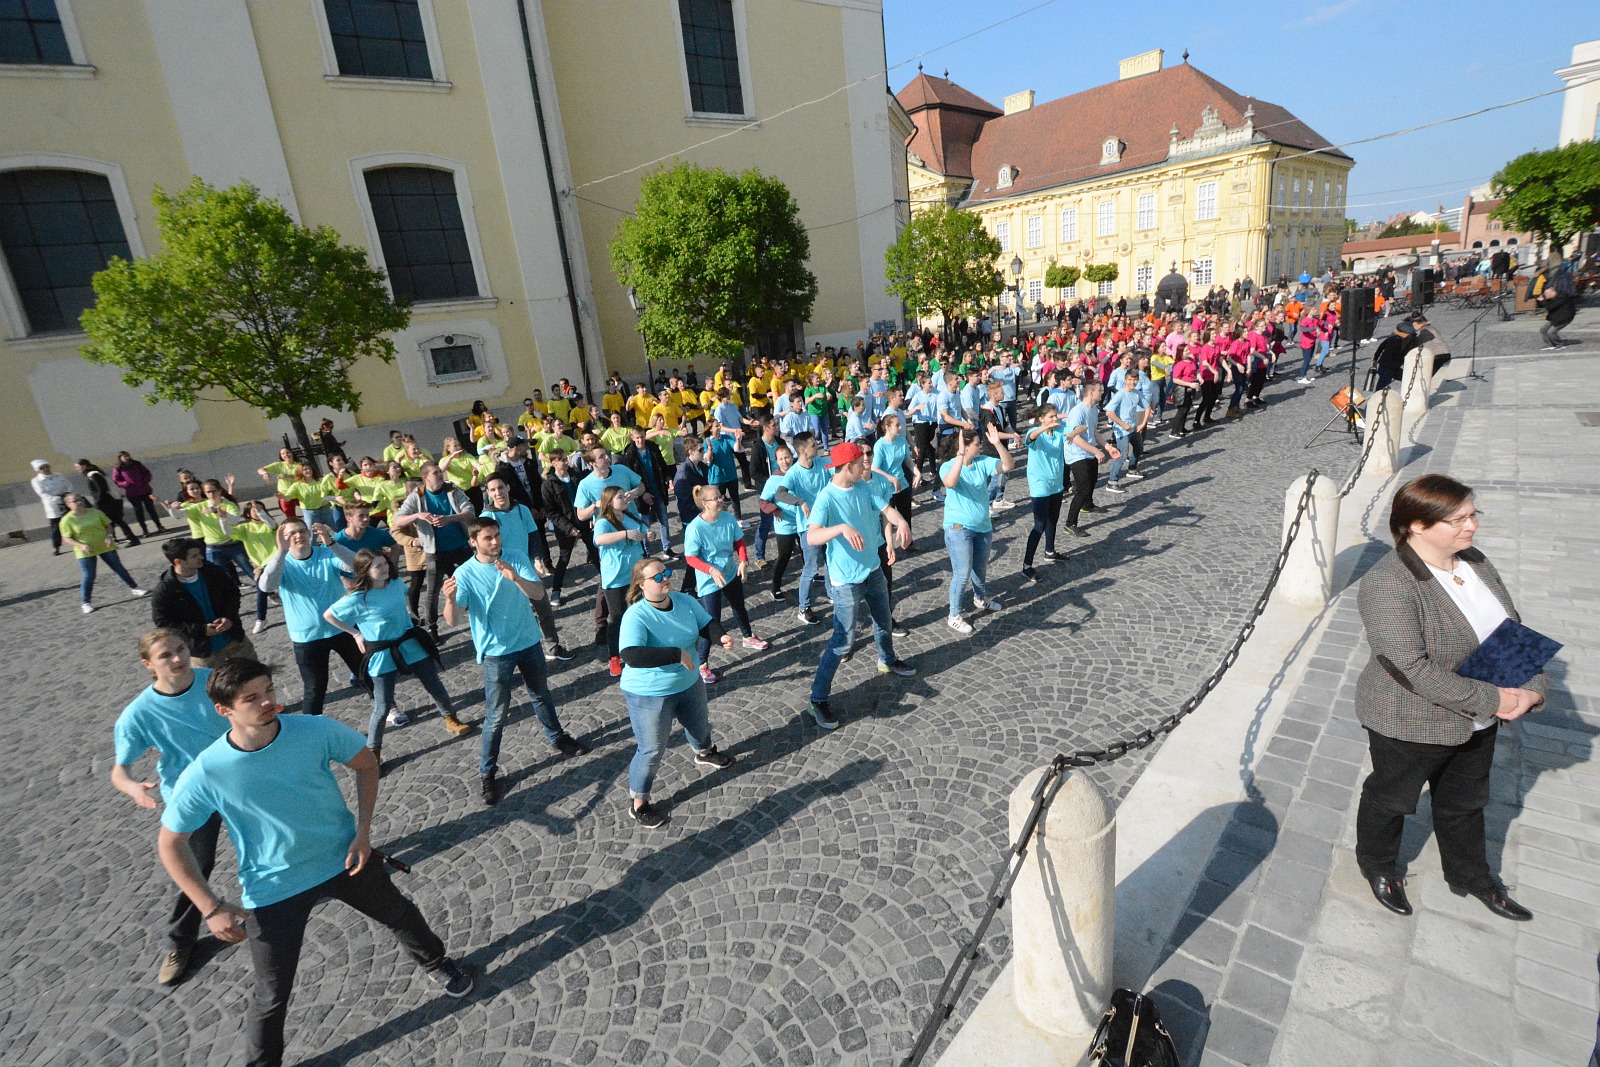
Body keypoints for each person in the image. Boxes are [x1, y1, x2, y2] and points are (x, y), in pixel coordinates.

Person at [157, 659, 474, 1066]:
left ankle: (437, 963)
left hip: (344, 859)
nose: (267, 701)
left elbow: (366, 763)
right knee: (272, 993)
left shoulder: (314, 730)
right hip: (273, 887)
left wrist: (364, 832)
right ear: (224, 710)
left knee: (400, 914)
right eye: (251, 698)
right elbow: (171, 844)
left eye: (268, 690)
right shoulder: (207, 771)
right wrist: (210, 907)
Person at [1354, 475, 1546, 921]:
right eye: (1457, 520)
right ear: (1416, 525)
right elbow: (1411, 667)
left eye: (1472, 515)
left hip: (1478, 717)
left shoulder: (1475, 561)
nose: (1471, 526)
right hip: (1409, 719)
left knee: (1465, 803)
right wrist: (1495, 700)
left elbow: (1511, 633)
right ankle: (1378, 865)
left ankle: (1471, 877)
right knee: (1391, 799)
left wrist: (1533, 688)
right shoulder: (1388, 583)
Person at [111, 629, 230, 986]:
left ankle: (318, 881)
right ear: (147, 664)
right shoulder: (138, 714)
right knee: (194, 865)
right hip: (189, 794)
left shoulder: (214, 681)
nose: (178, 659)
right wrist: (132, 787)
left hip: (238, 777)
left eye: (181, 649)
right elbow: (119, 771)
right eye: (166, 655)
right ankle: (180, 943)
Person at [443, 518, 589, 806]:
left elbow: (538, 593)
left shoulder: (515, 557)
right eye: (488, 538)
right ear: (473, 542)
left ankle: (557, 737)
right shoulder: (465, 573)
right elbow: (452, 620)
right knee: (497, 715)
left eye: (497, 535)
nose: (495, 542)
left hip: (529, 642)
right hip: (496, 652)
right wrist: (449, 600)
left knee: (541, 695)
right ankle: (487, 772)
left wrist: (516, 578)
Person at [325, 549, 471, 770]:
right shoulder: (357, 598)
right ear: (365, 571)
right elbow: (329, 615)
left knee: (434, 684)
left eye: (385, 563)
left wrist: (409, 614)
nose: (384, 568)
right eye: (378, 566)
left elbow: (402, 600)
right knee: (383, 705)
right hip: (382, 653)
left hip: (409, 643)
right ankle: (373, 750)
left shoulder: (395, 583)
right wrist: (355, 633)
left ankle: (451, 719)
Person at [617, 557, 736, 827]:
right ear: (641, 585)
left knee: (699, 723)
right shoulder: (636, 615)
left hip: (688, 682)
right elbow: (631, 655)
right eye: (658, 577)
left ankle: (704, 752)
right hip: (649, 693)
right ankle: (639, 803)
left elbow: (706, 623)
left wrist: (720, 637)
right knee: (652, 748)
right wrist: (675, 654)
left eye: (667, 572)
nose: (666, 578)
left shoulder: (684, 601)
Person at [805, 442, 915, 729]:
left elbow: (887, 509)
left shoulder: (863, 487)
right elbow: (812, 537)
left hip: (873, 570)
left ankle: (887, 659)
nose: (866, 464)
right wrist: (841, 528)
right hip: (845, 581)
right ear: (847, 467)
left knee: (884, 621)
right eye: (860, 462)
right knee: (843, 641)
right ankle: (817, 698)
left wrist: (902, 522)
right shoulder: (826, 498)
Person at [259, 519, 369, 718]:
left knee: (367, 673)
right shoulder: (281, 562)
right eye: (292, 533)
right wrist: (281, 552)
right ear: (283, 538)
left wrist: (332, 543)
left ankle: (390, 708)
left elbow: (359, 566)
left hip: (342, 628)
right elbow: (266, 586)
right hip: (307, 637)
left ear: (310, 534)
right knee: (315, 688)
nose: (298, 536)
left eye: (302, 531)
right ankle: (310, 726)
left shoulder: (326, 553)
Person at [478, 474, 572, 662]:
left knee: (543, 608)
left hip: (526, 569)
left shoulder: (522, 510)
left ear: (508, 487)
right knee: (513, 615)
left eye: (500, 487)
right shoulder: (487, 518)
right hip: (503, 573)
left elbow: (534, 537)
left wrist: (537, 559)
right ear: (488, 493)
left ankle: (552, 646)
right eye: (493, 490)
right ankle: (514, 654)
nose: (498, 493)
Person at [684, 484, 769, 683]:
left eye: (720, 496)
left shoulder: (728, 518)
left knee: (739, 606)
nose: (720, 500)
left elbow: (739, 542)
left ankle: (748, 637)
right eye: (716, 498)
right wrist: (711, 570)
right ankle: (702, 663)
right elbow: (691, 558)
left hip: (729, 573)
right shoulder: (695, 528)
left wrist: (744, 561)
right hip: (709, 580)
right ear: (705, 503)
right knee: (711, 622)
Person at [390, 463, 474, 641]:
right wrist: (418, 515)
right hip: (436, 551)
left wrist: (450, 518)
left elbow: (470, 512)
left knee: (476, 579)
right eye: (436, 473)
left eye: (440, 472)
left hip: (461, 546)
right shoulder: (417, 496)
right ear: (425, 477)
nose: (440, 475)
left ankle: (482, 611)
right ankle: (432, 628)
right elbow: (398, 521)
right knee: (433, 592)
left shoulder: (452, 489)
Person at [940, 425, 1012, 633]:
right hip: (958, 528)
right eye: (977, 444)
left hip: (983, 527)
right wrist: (960, 456)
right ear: (964, 447)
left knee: (980, 570)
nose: (980, 447)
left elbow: (1008, 466)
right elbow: (950, 483)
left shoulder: (982, 462)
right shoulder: (948, 466)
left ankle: (980, 599)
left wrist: (998, 444)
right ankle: (954, 615)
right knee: (962, 573)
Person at [151, 537, 255, 667]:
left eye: (199, 553)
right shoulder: (165, 590)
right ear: (178, 561)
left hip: (235, 641)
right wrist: (200, 630)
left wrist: (229, 617)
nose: (201, 557)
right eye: (194, 556)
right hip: (203, 654)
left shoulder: (213, 572)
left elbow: (232, 593)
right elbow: (163, 622)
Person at [772, 431, 833, 624]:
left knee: (831, 560)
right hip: (808, 527)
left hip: (827, 522)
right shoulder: (794, 473)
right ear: (803, 450)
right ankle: (804, 608)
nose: (817, 446)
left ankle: (832, 593)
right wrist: (800, 501)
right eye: (813, 445)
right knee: (812, 567)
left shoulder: (822, 463)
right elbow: (780, 494)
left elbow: (838, 471)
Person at [58, 491, 148, 613]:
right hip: (85, 550)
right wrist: (80, 545)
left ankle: (134, 587)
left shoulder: (95, 512)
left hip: (105, 545)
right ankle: (86, 602)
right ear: (68, 504)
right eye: (75, 501)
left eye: (81, 499)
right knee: (89, 575)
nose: (80, 502)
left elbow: (108, 525)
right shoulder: (67, 520)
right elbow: (66, 538)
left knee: (119, 568)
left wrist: (109, 536)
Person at [592, 485, 649, 677]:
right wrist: (625, 534)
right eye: (619, 497)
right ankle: (614, 657)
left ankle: (641, 646)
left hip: (636, 575)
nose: (624, 499)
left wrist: (648, 534)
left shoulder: (629, 516)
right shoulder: (603, 521)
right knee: (617, 618)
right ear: (609, 502)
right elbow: (599, 539)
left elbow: (644, 530)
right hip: (616, 579)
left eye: (624, 496)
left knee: (641, 611)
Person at [1061, 382, 1117, 538]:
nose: (1102, 392)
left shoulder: (1093, 409)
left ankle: (1087, 505)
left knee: (1092, 480)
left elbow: (1094, 432)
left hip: (1088, 451)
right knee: (1083, 487)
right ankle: (1070, 524)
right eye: (1100, 390)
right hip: (1076, 454)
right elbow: (1074, 438)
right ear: (1091, 393)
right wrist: (1096, 451)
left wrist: (1108, 447)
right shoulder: (1077, 412)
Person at [1020, 404, 1067, 582]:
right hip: (1039, 485)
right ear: (1042, 419)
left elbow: (1079, 429)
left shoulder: (1059, 430)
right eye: (1051, 417)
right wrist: (1044, 428)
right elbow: (1030, 438)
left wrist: (1074, 431)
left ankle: (1050, 551)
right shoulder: (1034, 432)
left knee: (1053, 519)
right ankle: (1027, 566)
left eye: (1055, 416)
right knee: (1039, 525)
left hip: (1056, 483)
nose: (1054, 419)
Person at [76, 459, 140, 545]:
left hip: (106, 503)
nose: (76, 469)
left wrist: (97, 502)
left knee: (115, 521)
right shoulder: (93, 474)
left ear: (84, 466)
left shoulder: (93, 475)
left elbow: (101, 489)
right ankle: (120, 539)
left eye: (78, 467)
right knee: (113, 521)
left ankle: (132, 539)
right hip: (107, 502)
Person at [113, 450, 166, 537]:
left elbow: (147, 473)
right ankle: (145, 530)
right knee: (139, 511)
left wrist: (145, 481)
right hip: (132, 493)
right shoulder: (118, 468)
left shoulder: (136, 464)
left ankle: (159, 526)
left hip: (145, 490)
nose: (127, 457)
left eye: (128, 455)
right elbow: (116, 480)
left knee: (151, 509)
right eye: (124, 456)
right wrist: (126, 484)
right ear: (120, 458)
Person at [30, 459, 72, 554]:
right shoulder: (36, 481)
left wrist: (67, 495)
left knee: (74, 521)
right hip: (53, 506)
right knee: (56, 527)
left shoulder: (59, 475)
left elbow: (69, 485)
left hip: (68, 502)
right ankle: (56, 547)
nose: (46, 469)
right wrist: (59, 499)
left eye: (47, 466)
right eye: (42, 468)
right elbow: (43, 494)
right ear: (38, 470)